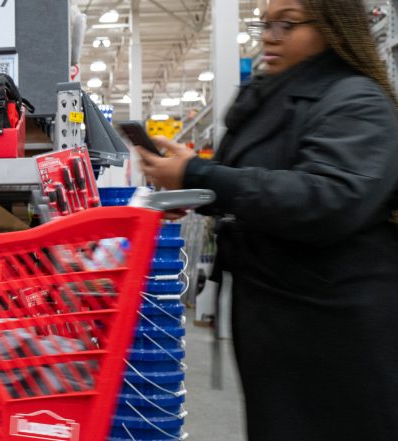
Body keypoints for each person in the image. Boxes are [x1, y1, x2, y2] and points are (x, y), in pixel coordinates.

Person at [137, 0, 398, 440]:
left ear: (333, 28)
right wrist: (194, 188)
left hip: (337, 329)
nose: (269, 37)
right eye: (266, 23)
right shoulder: (272, 99)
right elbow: (258, 185)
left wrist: (199, 176)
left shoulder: (357, 100)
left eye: (288, 24)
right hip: (277, 320)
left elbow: (328, 198)